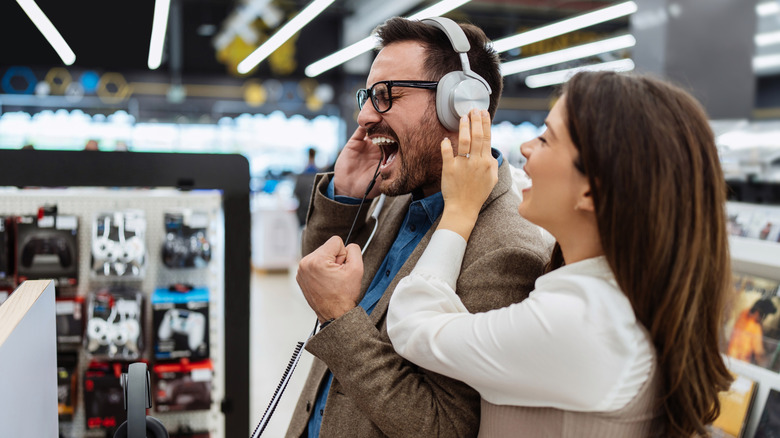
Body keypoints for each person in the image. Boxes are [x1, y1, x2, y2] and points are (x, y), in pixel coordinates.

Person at [386, 71, 735, 437]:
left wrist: (459, 209)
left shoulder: (580, 322)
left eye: (546, 139)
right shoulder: (632, 296)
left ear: (591, 194)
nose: (525, 149)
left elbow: (413, 325)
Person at [286, 17, 550, 438]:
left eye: (386, 95)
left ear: (461, 104)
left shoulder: (505, 250)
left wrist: (339, 319)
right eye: (367, 96)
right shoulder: (406, 195)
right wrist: (346, 200)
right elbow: (326, 283)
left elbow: (445, 426)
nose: (365, 116)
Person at [728, 298, 777, 366]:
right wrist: (768, 357)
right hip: (741, 362)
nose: (763, 319)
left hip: (730, 358)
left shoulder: (743, 314)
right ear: (759, 313)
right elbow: (758, 351)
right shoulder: (755, 326)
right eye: (765, 316)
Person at [293, 147, 320, 227]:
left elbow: (296, 192)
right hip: (316, 213)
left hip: (303, 214)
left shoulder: (301, 176)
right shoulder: (320, 176)